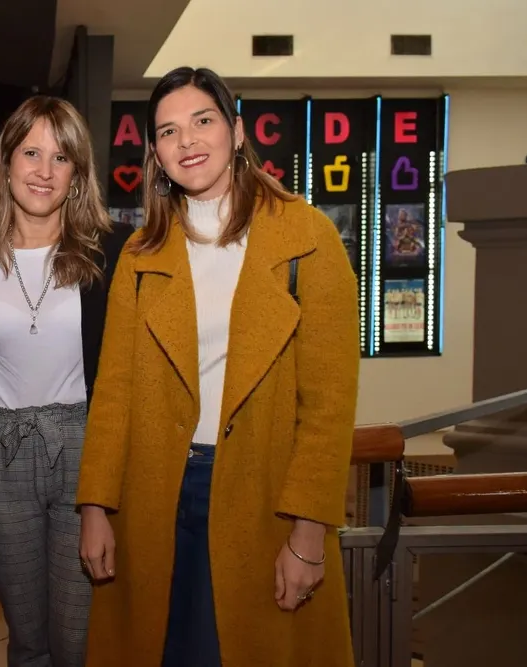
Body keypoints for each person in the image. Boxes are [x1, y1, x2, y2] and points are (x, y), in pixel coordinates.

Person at [76, 66, 360, 667]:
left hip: (264, 498)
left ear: (235, 130)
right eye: (168, 131)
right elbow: (115, 392)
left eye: (202, 121)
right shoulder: (141, 251)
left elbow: (329, 407)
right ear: (155, 152)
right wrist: (95, 508)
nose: (188, 141)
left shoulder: (307, 239)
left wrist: (309, 536)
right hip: (154, 499)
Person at [0, 96, 130, 667]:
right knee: (27, 635)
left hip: (83, 451)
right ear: (5, 163)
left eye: (61, 157)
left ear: (78, 172)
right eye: (31, 152)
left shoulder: (112, 252)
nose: (44, 171)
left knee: (77, 638)